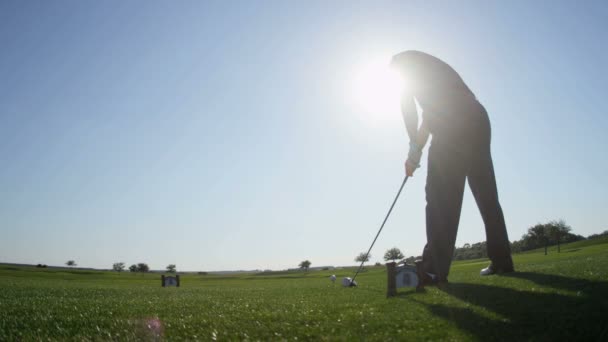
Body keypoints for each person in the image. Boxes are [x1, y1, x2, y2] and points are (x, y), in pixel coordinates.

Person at [390, 51, 514, 287]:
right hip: (477, 116)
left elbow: (409, 109)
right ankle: (502, 260)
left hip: (453, 120)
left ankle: (433, 271)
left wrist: (413, 150)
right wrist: (415, 153)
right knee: (486, 194)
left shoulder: (405, 67)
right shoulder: (436, 73)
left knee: (440, 197)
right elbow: (427, 119)